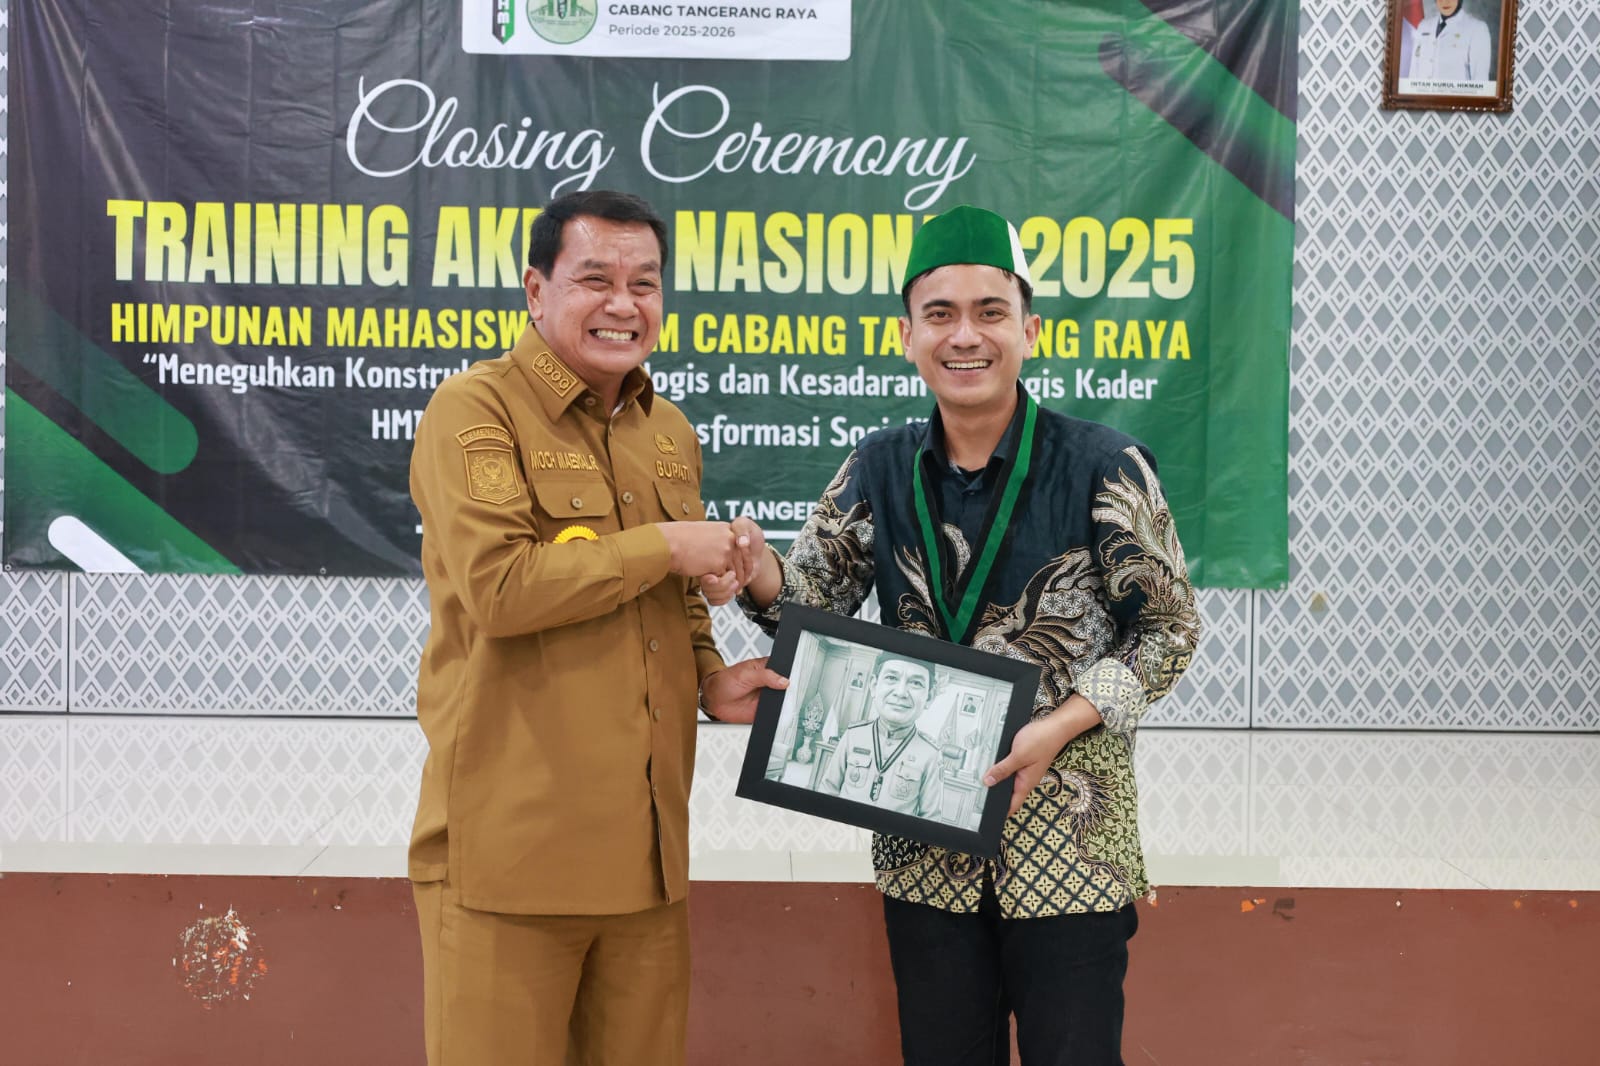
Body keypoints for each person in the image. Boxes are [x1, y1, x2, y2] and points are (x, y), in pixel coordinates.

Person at [712, 205, 1202, 1065]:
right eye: (939, 314)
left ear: (1029, 331)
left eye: (989, 312)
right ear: (907, 336)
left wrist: (1059, 725)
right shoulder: (877, 466)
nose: (965, 336)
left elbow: (1169, 628)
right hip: (923, 838)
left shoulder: (1104, 464)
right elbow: (814, 603)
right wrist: (755, 569)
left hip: (1068, 840)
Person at [407, 188, 786, 1066]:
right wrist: (665, 544)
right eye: (595, 280)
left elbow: (677, 603)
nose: (624, 303)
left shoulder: (668, 432)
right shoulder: (475, 410)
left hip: (648, 867)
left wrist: (710, 676)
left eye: (644, 283)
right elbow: (500, 590)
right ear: (536, 290)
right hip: (510, 862)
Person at [818, 651, 944, 818]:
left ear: (929, 697)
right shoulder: (853, 735)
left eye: (915, 683)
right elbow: (827, 791)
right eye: (891, 678)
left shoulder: (931, 754)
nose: (901, 692)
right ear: (873, 686)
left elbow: (931, 818)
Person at [1409, 0, 1493, 82]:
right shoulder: (1423, 26)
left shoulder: (1477, 29)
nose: (1445, 2)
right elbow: (1414, 73)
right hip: (1422, 91)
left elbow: (1480, 81)